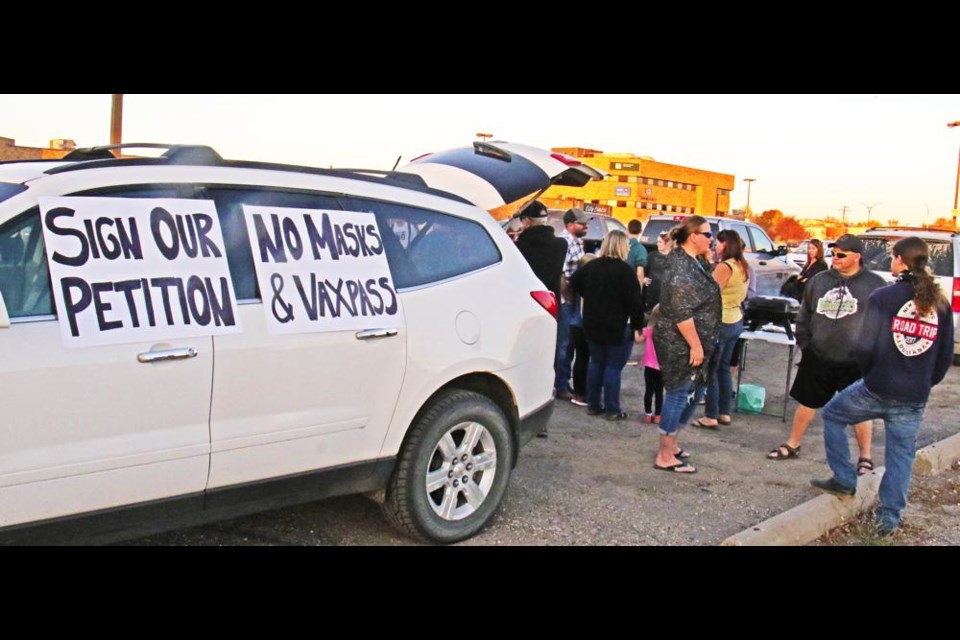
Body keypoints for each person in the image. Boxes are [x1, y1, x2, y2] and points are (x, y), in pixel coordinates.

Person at [811, 236, 953, 536]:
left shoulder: (884, 297)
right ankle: (888, 519)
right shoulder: (940, 303)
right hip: (913, 395)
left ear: (900, 260)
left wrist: (872, 375)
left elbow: (864, 346)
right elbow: (944, 355)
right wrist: (925, 383)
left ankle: (845, 478)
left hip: (876, 388)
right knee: (901, 455)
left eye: (893, 256)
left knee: (833, 415)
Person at [766, 234, 886, 470]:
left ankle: (865, 457)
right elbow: (805, 314)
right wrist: (806, 345)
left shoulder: (875, 284)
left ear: (857, 257)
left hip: (855, 361)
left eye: (841, 255)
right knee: (806, 402)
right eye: (833, 254)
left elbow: (884, 321)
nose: (835, 259)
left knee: (860, 410)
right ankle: (793, 444)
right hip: (818, 355)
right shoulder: (819, 280)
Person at [653, 216, 721, 474]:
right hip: (679, 343)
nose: (711, 239)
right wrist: (695, 345)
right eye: (707, 234)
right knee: (678, 394)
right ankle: (665, 454)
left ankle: (672, 445)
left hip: (694, 340)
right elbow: (682, 312)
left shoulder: (694, 262)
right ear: (693, 236)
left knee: (688, 394)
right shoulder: (681, 267)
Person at [570, 229, 644, 421]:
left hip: (592, 322)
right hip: (618, 325)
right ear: (622, 247)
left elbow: (573, 284)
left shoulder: (591, 267)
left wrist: (588, 296)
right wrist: (638, 327)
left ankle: (593, 404)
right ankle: (612, 408)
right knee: (613, 367)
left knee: (596, 363)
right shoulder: (626, 272)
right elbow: (636, 304)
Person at [692, 229, 750, 429]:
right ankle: (725, 412)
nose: (715, 246)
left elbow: (710, 294)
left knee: (712, 371)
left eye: (718, 243)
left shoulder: (725, 267)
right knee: (724, 369)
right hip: (735, 320)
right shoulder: (742, 265)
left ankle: (710, 415)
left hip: (720, 322)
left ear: (726, 244)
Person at [554, 207, 592, 400]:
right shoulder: (566, 243)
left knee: (569, 343)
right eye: (582, 223)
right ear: (570, 225)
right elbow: (560, 273)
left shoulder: (577, 241)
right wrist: (567, 296)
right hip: (567, 300)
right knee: (565, 344)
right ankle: (560, 385)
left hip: (575, 299)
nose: (586, 225)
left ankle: (563, 381)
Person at [513, 201, 566, 304]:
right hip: (551, 304)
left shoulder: (518, 248)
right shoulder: (562, 245)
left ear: (526, 221)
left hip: (526, 303)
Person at [569, 253, 597, 407]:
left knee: (580, 358)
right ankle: (583, 393)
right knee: (586, 359)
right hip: (583, 323)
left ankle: (578, 392)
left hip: (574, 323)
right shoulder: (588, 283)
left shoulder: (575, 281)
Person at [624, 219, 649, 366]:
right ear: (640, 231)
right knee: (630, 322)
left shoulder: (622, 245)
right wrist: (638, 293)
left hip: (617, 289)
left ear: (627, 229)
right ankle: (627, 355)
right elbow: (640, 273)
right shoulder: (640, 249)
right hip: (631, 289)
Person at [639, 303, 664, 424]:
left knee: (649, 390)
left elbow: (638, 340)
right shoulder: (667, 333)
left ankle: (648, 414)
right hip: (662, 366)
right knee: (659, 391)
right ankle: (658, 415)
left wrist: (635, 329)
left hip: (649, 365)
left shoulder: (649, 330)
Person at [644, 230, 674, 313]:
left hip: (667, 298)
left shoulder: (675, 258)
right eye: (657, 242)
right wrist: (644, 279)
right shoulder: (652, 256)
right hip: (651, 297)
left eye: (660, 242)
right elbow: (644, 272)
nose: (657, 244)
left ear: (668, 243)